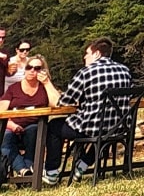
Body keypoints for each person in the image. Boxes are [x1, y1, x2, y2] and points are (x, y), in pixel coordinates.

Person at [41, 37, 133, 184]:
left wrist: (47, 83)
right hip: (120, 127)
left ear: (96, 54)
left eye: (87, 53)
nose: (84, 57)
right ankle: (82, 165)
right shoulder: (125, 70)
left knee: (54, 126)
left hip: (92, 127)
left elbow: (64, 102)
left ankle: (52, 172)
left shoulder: (86, 72)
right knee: (105, 133)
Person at [0, 53, 63, 176]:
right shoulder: (14, 88)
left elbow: (57, 103)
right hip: (12, 124)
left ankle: (29, 169)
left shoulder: (44, 88)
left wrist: (47, 83)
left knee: (33, 132)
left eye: (37, 68)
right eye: (29, 67)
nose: (32, 70)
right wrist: (11, 125)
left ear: (42, 71)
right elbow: (1, 110)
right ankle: (24, 170)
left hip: (35, 125)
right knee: (5, 139)